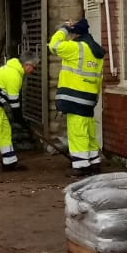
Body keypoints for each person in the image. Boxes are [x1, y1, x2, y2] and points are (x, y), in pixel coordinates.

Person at [49, 17, 107, 176]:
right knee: (88, 131)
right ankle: (94, 161)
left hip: (74, 96)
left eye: (70, 34)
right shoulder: (95, 51)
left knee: (77, 132)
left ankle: (81, 166)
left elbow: (53, 45)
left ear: (75, 34)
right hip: (89, 97)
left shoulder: (75, 47)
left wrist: (64, 29)